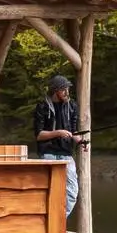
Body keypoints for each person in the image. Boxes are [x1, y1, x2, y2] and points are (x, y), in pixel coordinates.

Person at [33, 74, 82, 218]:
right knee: (50, 191)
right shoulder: (42, 107)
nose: (67, 92)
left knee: (72, 191)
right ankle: (47, 223)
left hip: (66, 154)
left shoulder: (72, 106)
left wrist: (80, 141)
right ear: (55, 91)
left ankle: (58, 222)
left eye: (67, 89)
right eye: (63, 89)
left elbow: (74, 131)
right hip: (48, 153)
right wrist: (58, 133)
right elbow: (39, 135)